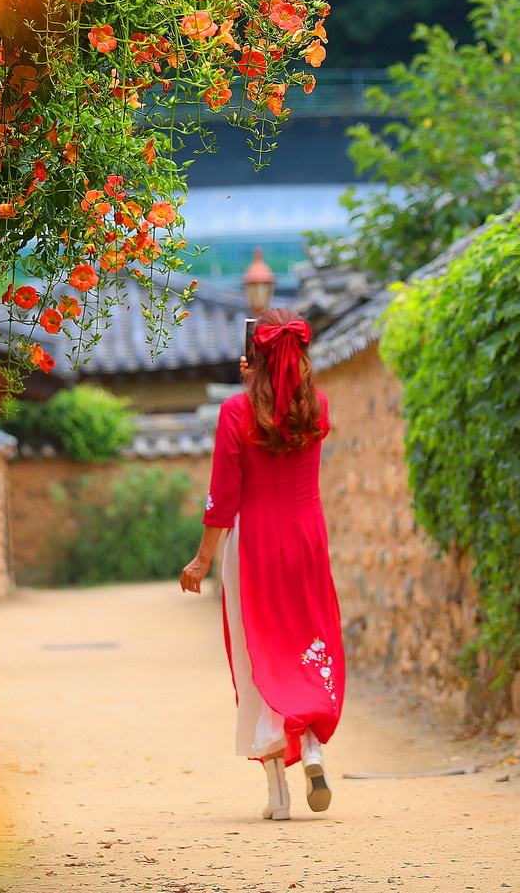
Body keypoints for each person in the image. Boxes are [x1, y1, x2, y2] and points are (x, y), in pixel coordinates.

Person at [179, 307, 343, 821]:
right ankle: (311, 748)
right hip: (307, 538)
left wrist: (202, 559)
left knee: (259, 655)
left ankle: (279, 795)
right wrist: (266, 376)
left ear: (255, 356)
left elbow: (224, 496)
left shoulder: (235, 411)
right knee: (306, 641)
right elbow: (284, 408)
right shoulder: (316, 406)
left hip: (255, 542)